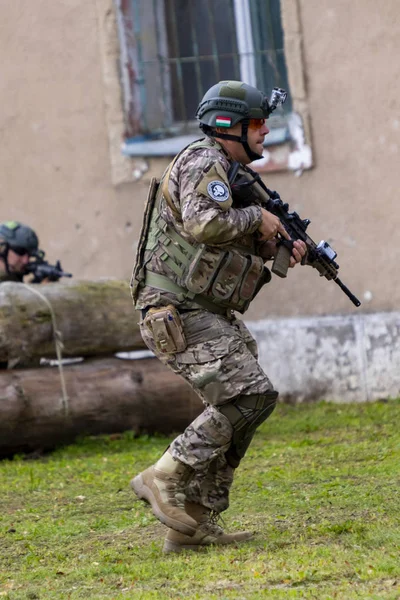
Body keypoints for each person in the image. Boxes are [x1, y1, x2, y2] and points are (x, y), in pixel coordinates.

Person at [129, 80, 307, 554]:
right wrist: (258, 221)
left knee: (253, 403)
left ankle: (194, 521)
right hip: (174, 309)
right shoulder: (203, 161)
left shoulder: (230, 172)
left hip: (204, 308)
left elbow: (223, 239)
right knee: (247, 394)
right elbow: (202, 223)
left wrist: (277, 243)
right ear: (231, 125)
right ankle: (164, 475)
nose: (267, 130)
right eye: (257, 122)